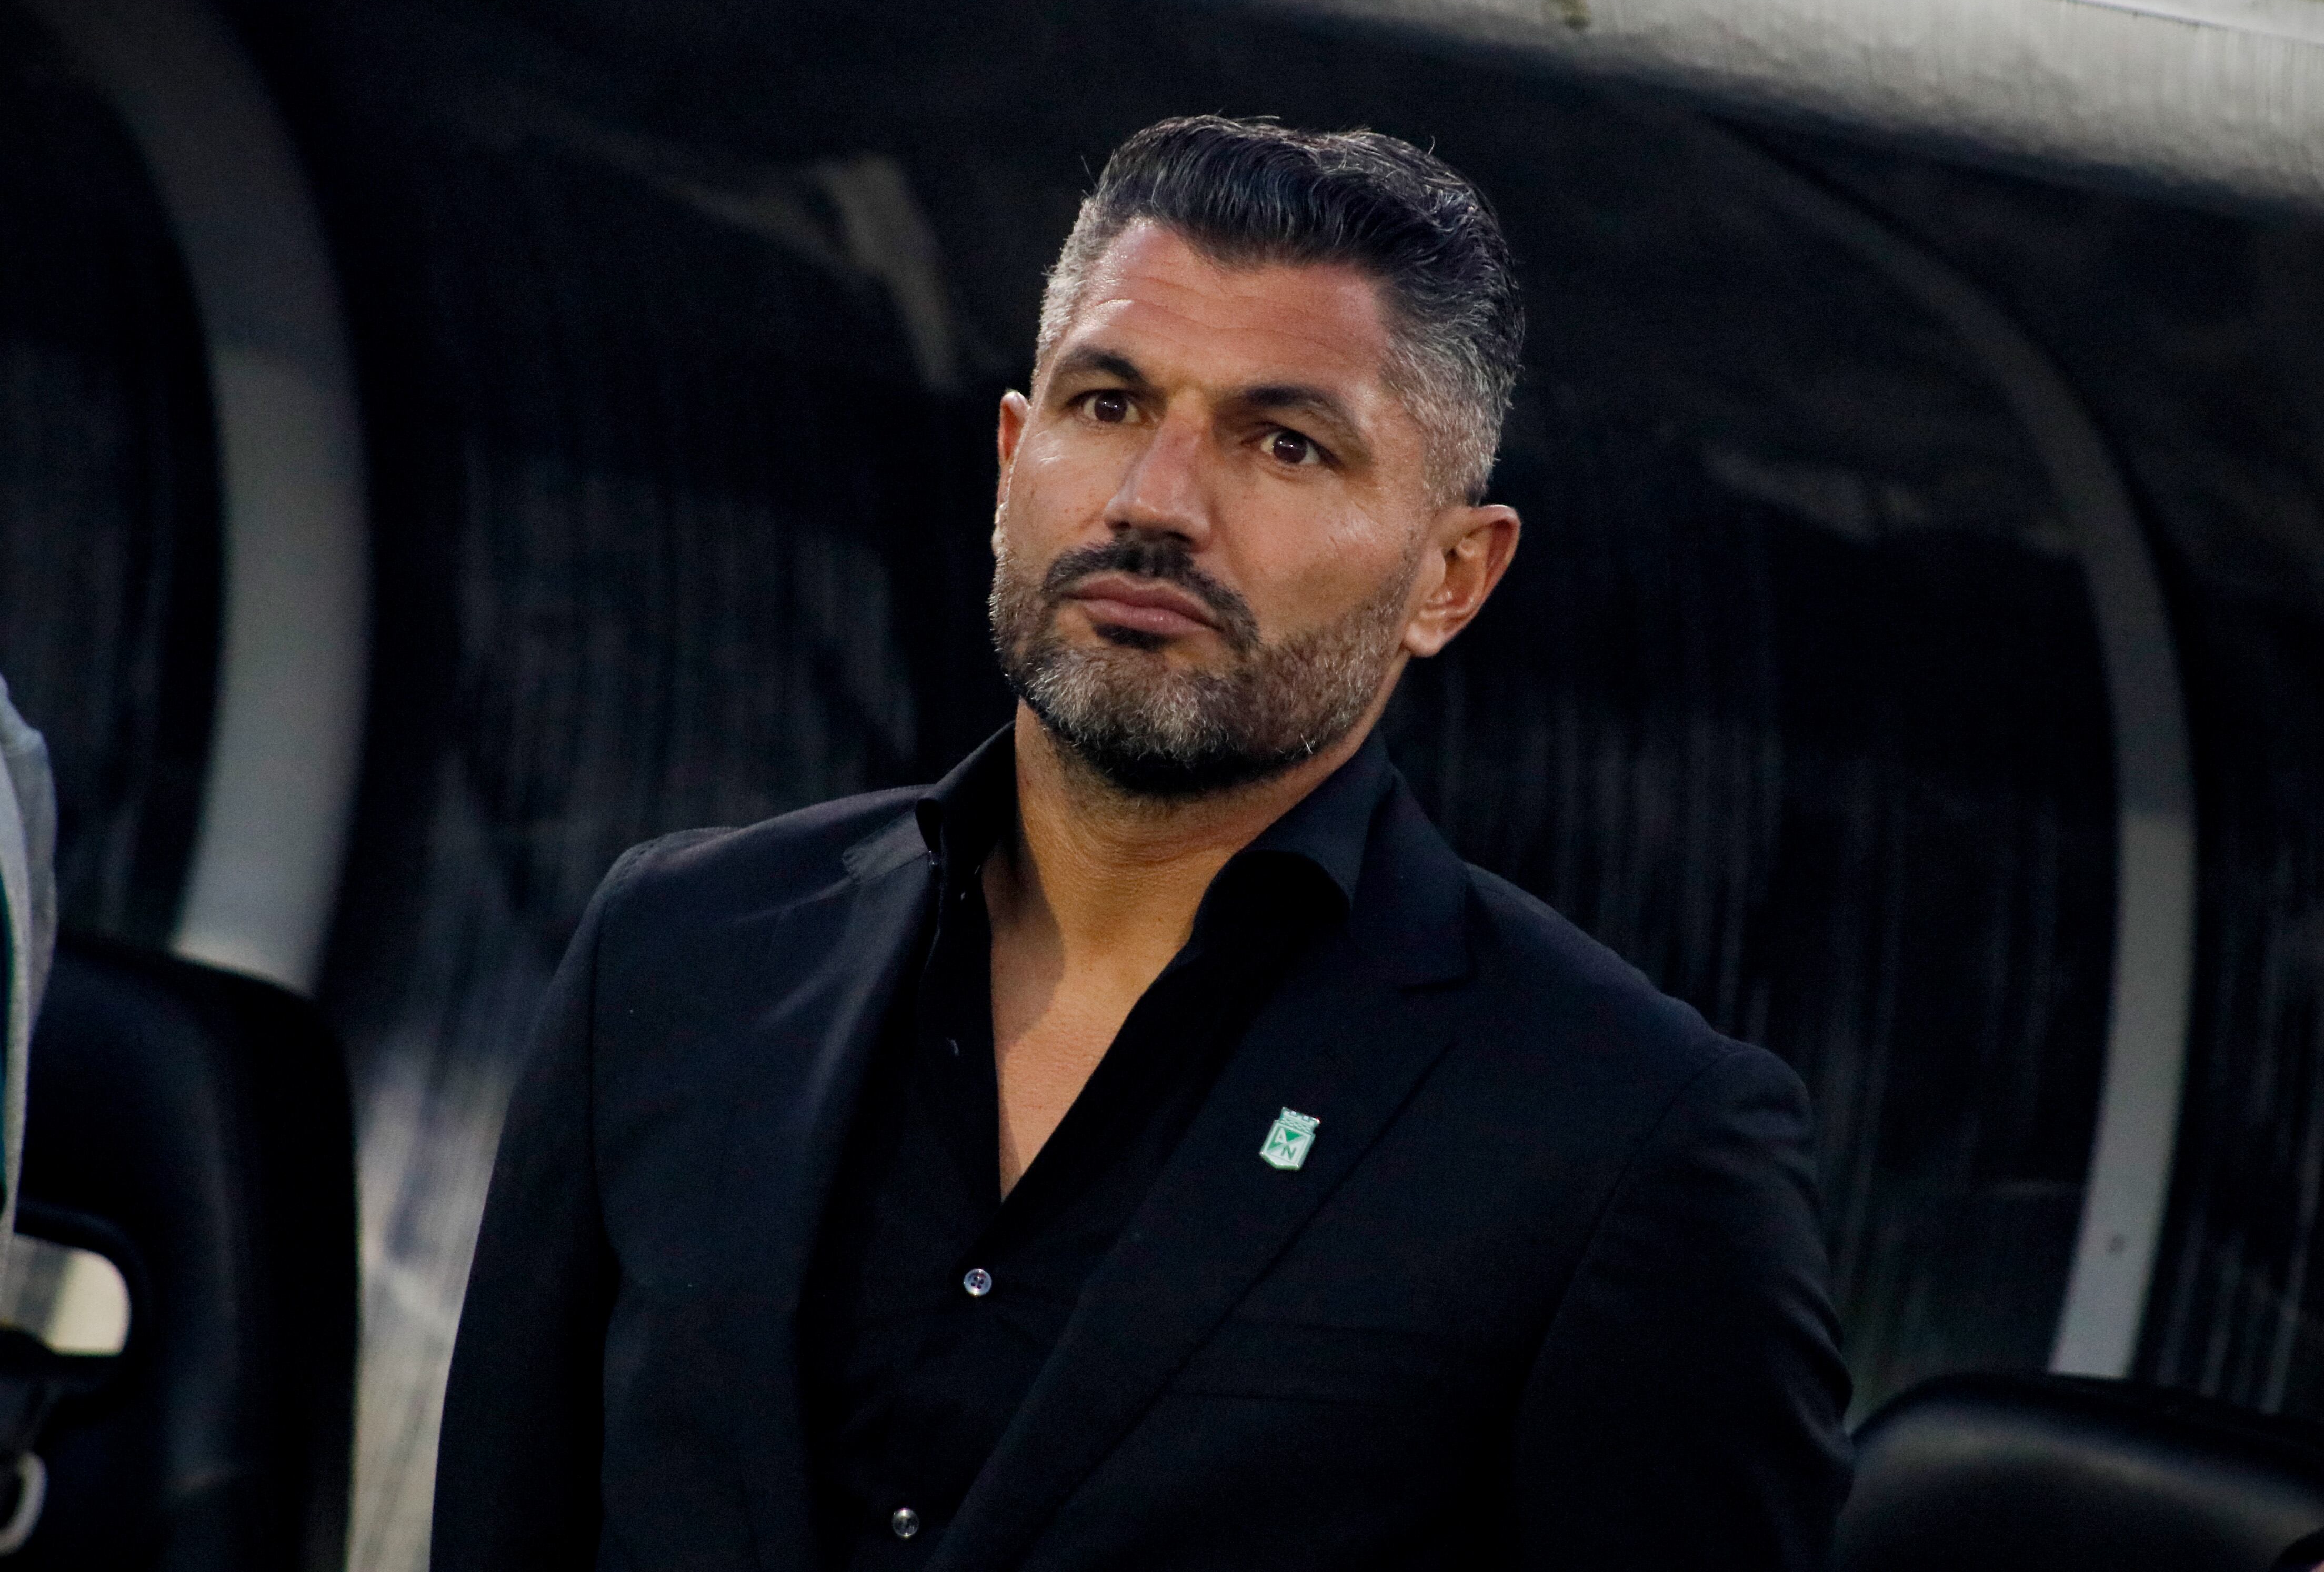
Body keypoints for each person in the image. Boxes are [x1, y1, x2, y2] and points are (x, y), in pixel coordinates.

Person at [431, 115, 1851, 1571]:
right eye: (1106, 405)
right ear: (1009, 457)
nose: (1152, 505)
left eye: (1283, 444)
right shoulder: (682, 952)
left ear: (1450, 576)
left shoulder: (1627, 1138)